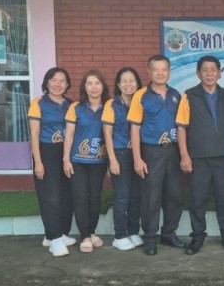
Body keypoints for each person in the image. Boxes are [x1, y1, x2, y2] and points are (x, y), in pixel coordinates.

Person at [176, 55, 224, 255]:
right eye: (205, 70)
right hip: (199, 158)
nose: (209, 73)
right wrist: (184, 155)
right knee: (197, 199)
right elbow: (181, 127)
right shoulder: (189, 96)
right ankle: (197, 238)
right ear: (198, 73)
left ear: (219, 73)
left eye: (213, 70)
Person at [127, 55, 185, 256]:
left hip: (173, 150)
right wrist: (137, 158)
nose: (160, 73)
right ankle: (150, 238)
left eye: (164, 69)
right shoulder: (141, 95)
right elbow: (134, 128)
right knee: (151, 197)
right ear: (149, 72)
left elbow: (182, 126)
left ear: (169, 71)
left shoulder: (176, 95)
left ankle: (169, 233)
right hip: (151, 151)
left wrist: (184, 155)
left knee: (175, 195)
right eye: (156, 69)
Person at [28, 67, 75, 257]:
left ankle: (58, 234)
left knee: (66, 196)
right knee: (50, 196)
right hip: (46, 152)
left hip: (66, 153)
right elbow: (34, 134)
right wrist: (38, 162)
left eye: (62, 81)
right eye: (53, 80)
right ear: (46, 83)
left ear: (67, 84)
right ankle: (55, 239)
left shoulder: (71, 105)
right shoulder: (38, 103)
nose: (58, 84)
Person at [63, 69, 109, 253]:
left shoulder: (109, 107)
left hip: (99, 161)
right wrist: (66, 159)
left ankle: (92, 231)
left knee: (95, 198)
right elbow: (69, 135)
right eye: (89, 83)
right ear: (84, 87)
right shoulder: (76, 107)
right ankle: (84, 236)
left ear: (103, 86)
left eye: (97, 83)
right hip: (78, 161)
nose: (93, 87)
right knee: (81, 198)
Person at [102, 67, 144, 251]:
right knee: (122, 197)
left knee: (136, 196)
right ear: (118, 85)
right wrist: (112, 160)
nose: (128, 84)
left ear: (137, 83)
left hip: (139, 155)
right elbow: (107, 133)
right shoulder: (112, 104)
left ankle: (133, 232)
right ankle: (119, 235)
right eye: (124, 81)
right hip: (120, 154)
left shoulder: (141, 103)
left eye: (131, 80)